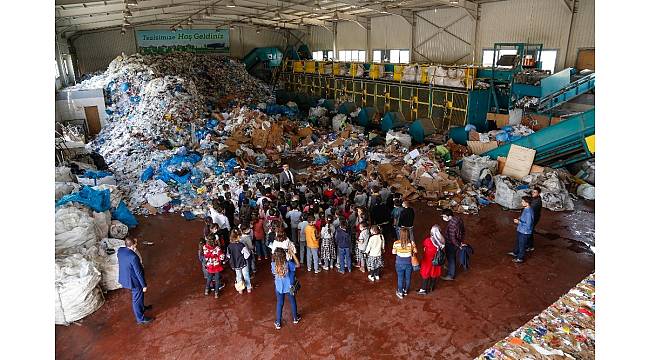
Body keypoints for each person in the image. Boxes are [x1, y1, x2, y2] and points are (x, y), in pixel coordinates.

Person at [117, 237, 153, 324]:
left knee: (139, 296)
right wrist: (144, 285)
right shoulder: (133, 257)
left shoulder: (120, 250)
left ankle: (142, 308)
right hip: (133, 280)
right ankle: (140, 319)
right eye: (135, 244)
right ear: (133, 246)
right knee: (136, 299)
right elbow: (138, 272)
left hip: (125, 276)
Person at [271, 248, 301, 329]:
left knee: (280, 303)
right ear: (284, 256)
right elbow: (298, 265)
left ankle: (278, 322)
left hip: (279, 287)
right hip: (290, 287)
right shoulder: (288, 264)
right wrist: (292, 253)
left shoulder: (273, 264)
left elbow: (273, 273)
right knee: (292, 301)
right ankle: (295, 318)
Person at [418, 225, 445, 295]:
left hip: (427, 260)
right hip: (437, 260)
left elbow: (424, 247)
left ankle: (423, 289)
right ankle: (431, 287)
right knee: (434, 273)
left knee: (425, 274)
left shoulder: (427, 240)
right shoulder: (442, 240)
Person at [441, 209, 465, 281]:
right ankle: (451, 267)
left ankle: (450, 275)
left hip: (451, 243)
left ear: (450, 216)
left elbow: (452, 238)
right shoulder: (458, 219)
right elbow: (463, 230)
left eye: (445, 216)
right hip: (458, 241)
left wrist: (458, 245)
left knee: (451, 257)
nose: (443, 218)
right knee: (453, 256)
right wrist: (460, 242)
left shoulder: (452, 225)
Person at [509, 196, 535, 263]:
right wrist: (519, 218)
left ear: (527, 203)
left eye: (523, 201)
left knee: (522, 245)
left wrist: (519, 222)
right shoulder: (525, 209)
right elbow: (522, 216)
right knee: (518, 242)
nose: (521, 202)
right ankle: (515, 253)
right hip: (521, 230)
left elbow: (528, 225)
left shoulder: (529, 212)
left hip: (525, 232)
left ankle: (520, 258)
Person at [392, 228, 417, 299]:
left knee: (400, 278)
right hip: (409, 263)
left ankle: (400, 292)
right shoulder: (411, 243)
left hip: (399, 263)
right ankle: (406, 290)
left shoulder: (396, 243)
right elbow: (415, 251)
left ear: (400, 234)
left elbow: (393, 252)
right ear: (408, 235)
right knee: (408, 277)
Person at [228, 229, 253, 293]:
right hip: (243, 262)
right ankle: (248, 288)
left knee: (238, 276)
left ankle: (240, 289)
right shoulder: (241, 245)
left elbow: (228, 255)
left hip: (235, 263)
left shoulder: (229, 246)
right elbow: (247, 254)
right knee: (246, 275)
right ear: (238, 237)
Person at [528, 187, 543, 252]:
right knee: (530, 230)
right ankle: (529, 244)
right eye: (532, 192)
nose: (533, 193)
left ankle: (530, 246)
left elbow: (530, 209)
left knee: (530, 231)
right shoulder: (534, 198)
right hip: (533, 216)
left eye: (535, 192)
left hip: (534, 218)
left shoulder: (537, 202)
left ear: (539, 194)